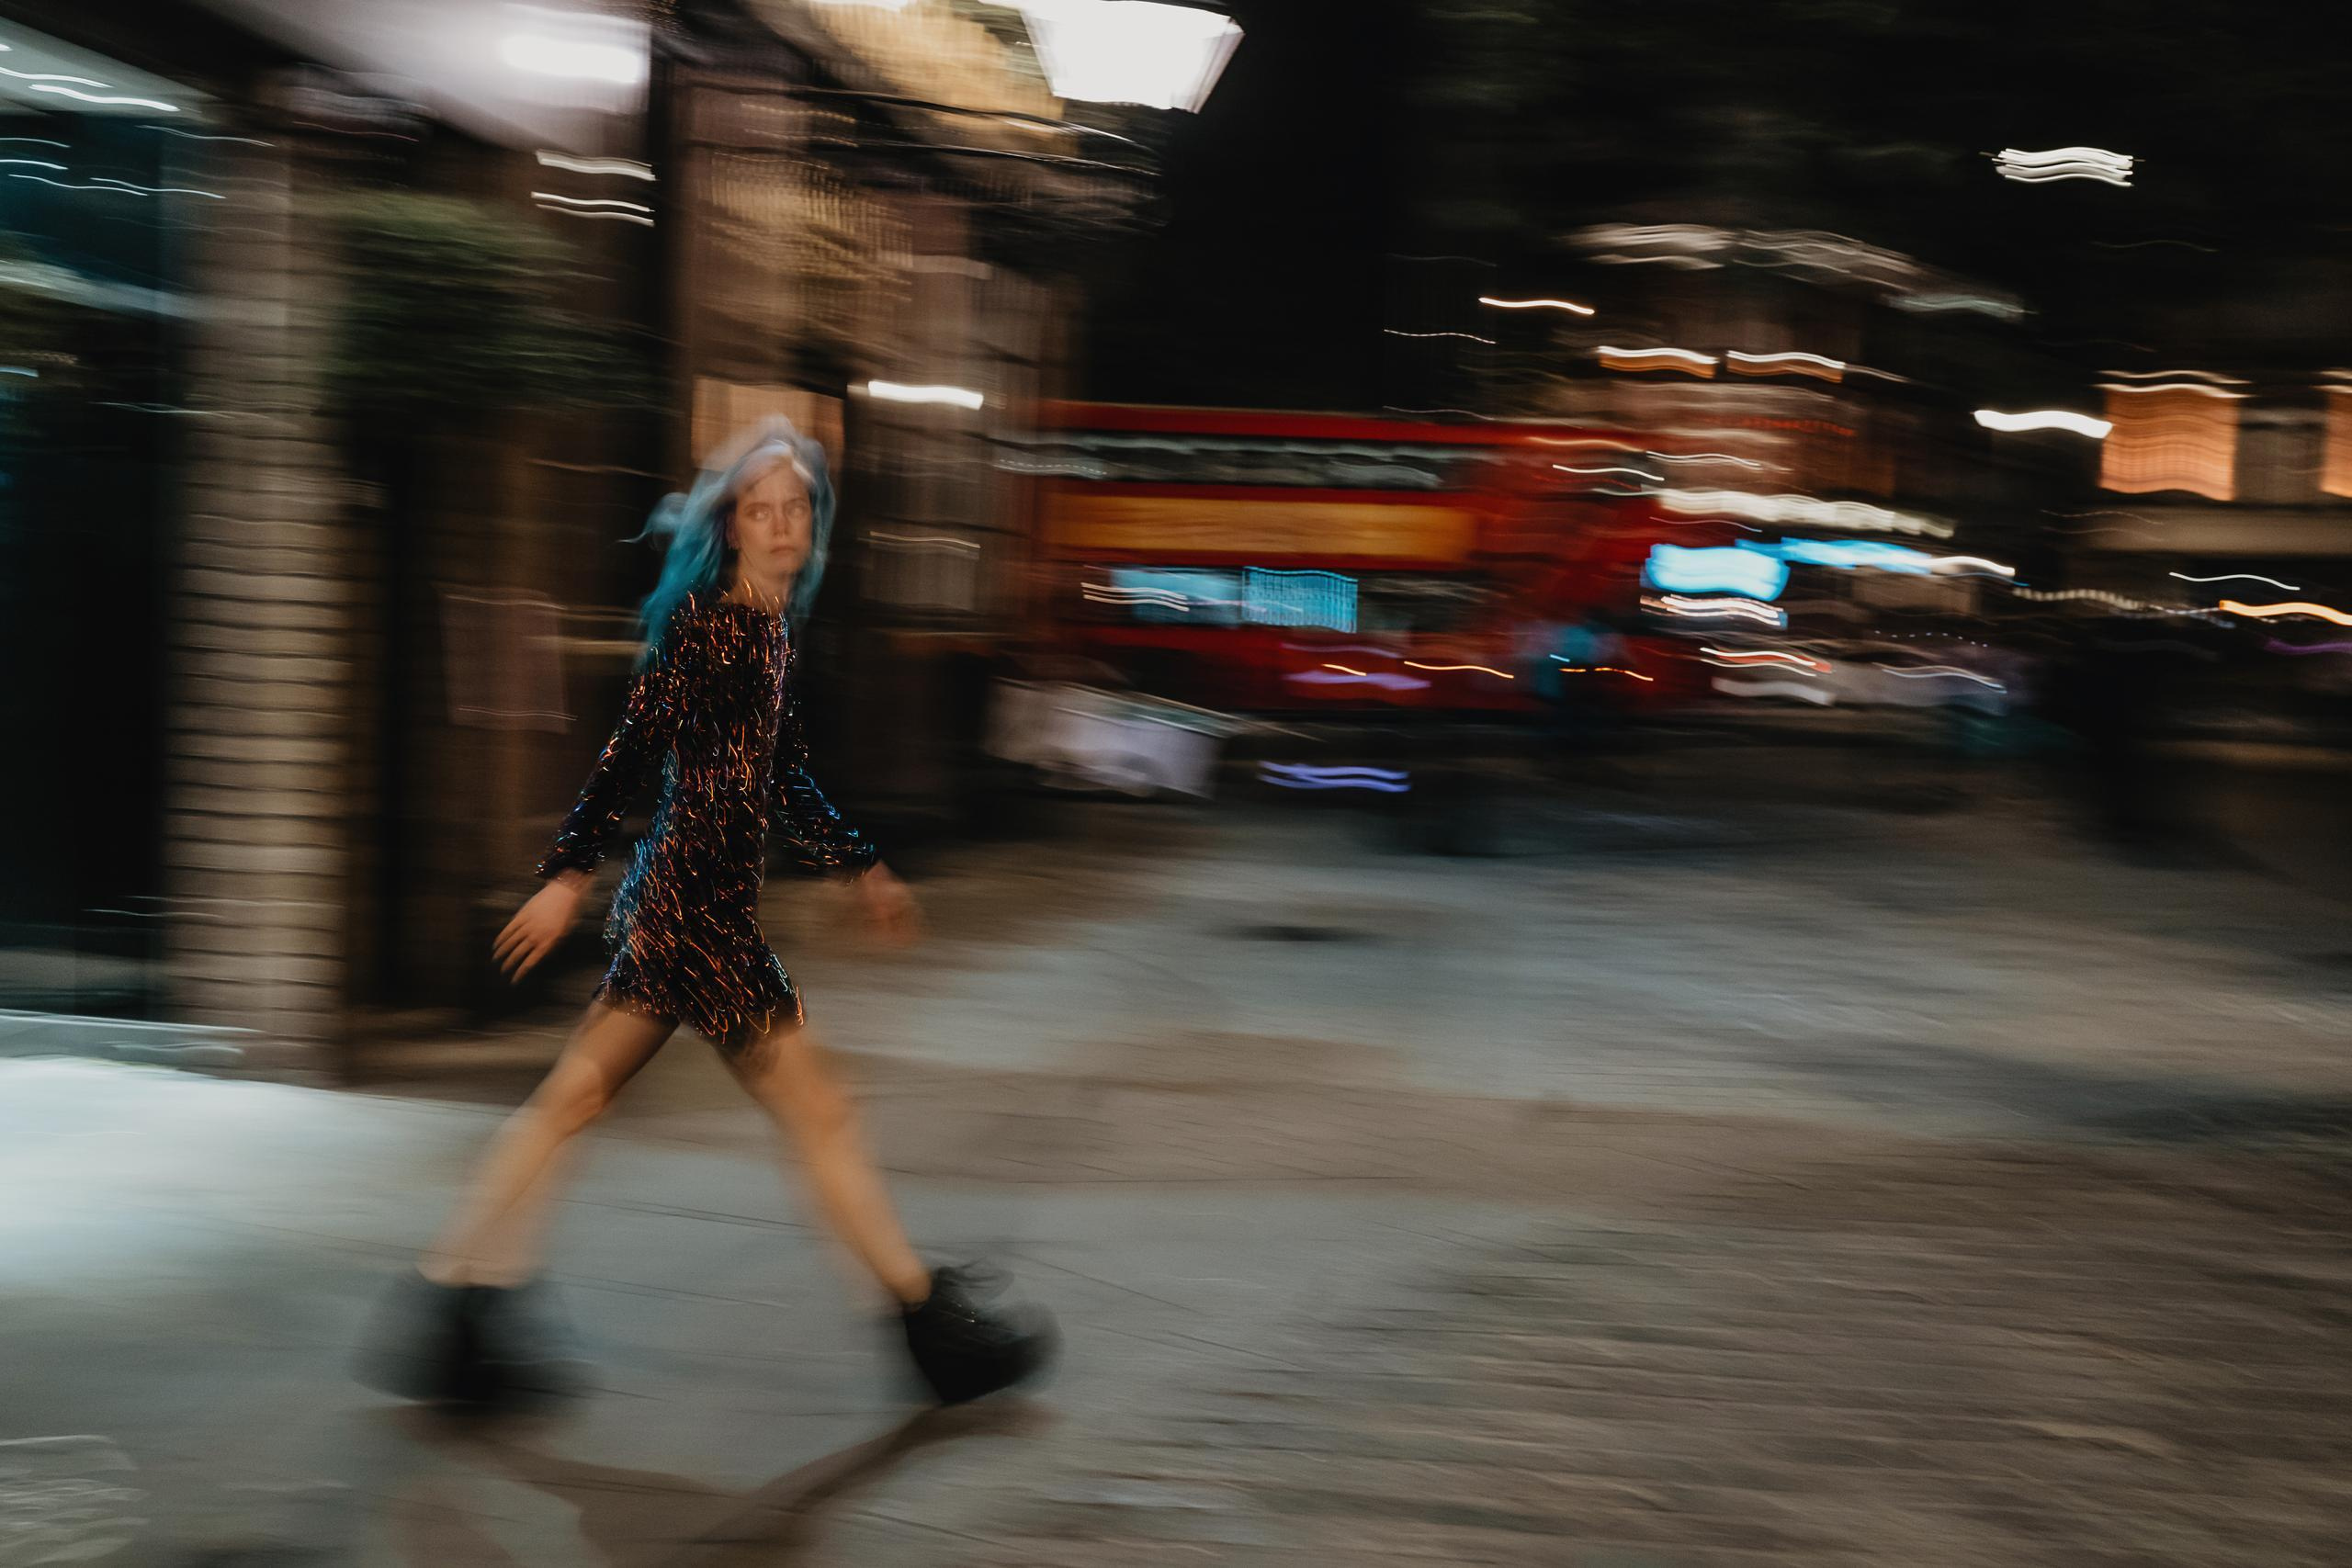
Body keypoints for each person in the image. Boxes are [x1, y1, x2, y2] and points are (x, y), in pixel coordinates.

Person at [356, 419, 1056, 1410]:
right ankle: (931, 1333)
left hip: (691, 906)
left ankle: (452, 1308)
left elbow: (783, 778)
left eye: (795, 507)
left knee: (573, 1104)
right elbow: (628, 753)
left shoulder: (766, 630)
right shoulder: (712, 629)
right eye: (759, 511)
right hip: (697, 916)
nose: (780, 525)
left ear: (813, 518)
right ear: (730, 528)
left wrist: (861, 866)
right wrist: (564, 874)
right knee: (816, 1115)